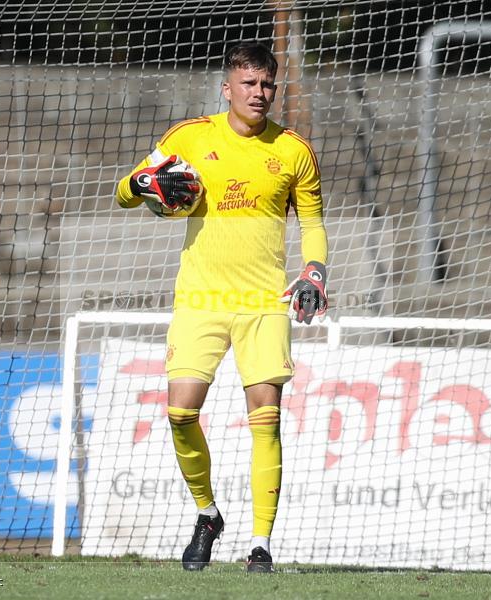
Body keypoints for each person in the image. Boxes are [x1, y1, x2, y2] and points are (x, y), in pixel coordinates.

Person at [114, 41, 328, 573]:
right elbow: (125, 191)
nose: (259, 93)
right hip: (200, 299)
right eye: (249, 84)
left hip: (263, 302)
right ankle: (207, 514)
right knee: (180, 412)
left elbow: (314, 223)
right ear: (227, 88)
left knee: (267, 420)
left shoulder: (294, 150)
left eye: (267, 84)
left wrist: (315, 272)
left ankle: (261, 545)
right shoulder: (189, 138)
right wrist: (142, 183)